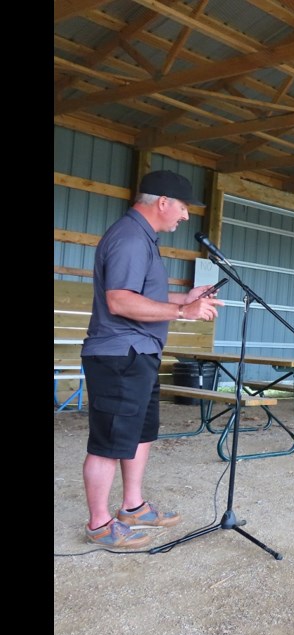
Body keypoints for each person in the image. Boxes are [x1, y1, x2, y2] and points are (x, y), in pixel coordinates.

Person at [81, 170, 225, 548]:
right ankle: (99, 524)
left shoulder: (143, 238)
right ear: (163, 202)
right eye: (182, 207)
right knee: (109, 442)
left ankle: (134, 506)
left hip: (139, 353)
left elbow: (144, 293)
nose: (185, 215)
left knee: (140, 433)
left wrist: (185, 298)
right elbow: (120, 300)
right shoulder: (129, 238)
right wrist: (183, 314)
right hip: (119, 355)